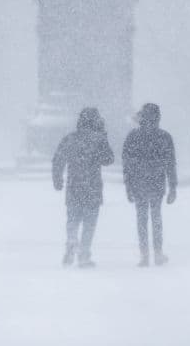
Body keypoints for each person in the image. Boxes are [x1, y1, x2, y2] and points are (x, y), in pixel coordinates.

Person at [52, 107, 115, 268]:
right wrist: (103, 135)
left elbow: (58, 159)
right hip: (92, 187)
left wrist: (57, 178)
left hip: (74, 186)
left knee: (73, 219)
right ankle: (84, 254)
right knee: (89, 223)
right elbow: (108, 159)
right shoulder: (98, 140)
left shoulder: (70, 139)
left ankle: (71, 241)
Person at [122, 102, 177, 267]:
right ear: (157, 118)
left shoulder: (132, 137)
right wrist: (173, 187)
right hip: (157, 183)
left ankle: (144, 255)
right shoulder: (165, 137)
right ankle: (158, 254)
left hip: (139, 184)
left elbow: (127, 165)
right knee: (156, 217)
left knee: (141, 219)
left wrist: (128, 186)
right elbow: (170, 163)